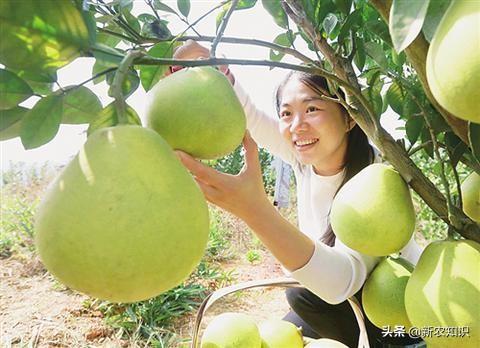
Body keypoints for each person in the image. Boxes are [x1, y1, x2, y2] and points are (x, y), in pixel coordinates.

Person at [170, 40, 424, 348]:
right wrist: (221, 74)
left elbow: (342, 281)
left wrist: (254, 210)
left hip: (399, 323)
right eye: (287, 114)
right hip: (339, 304)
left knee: (301, 296)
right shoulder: (306, 162)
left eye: (312, 109)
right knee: (281, 333)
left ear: (349, 117)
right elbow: (253, 119)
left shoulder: (374, 179)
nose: (297, 125)